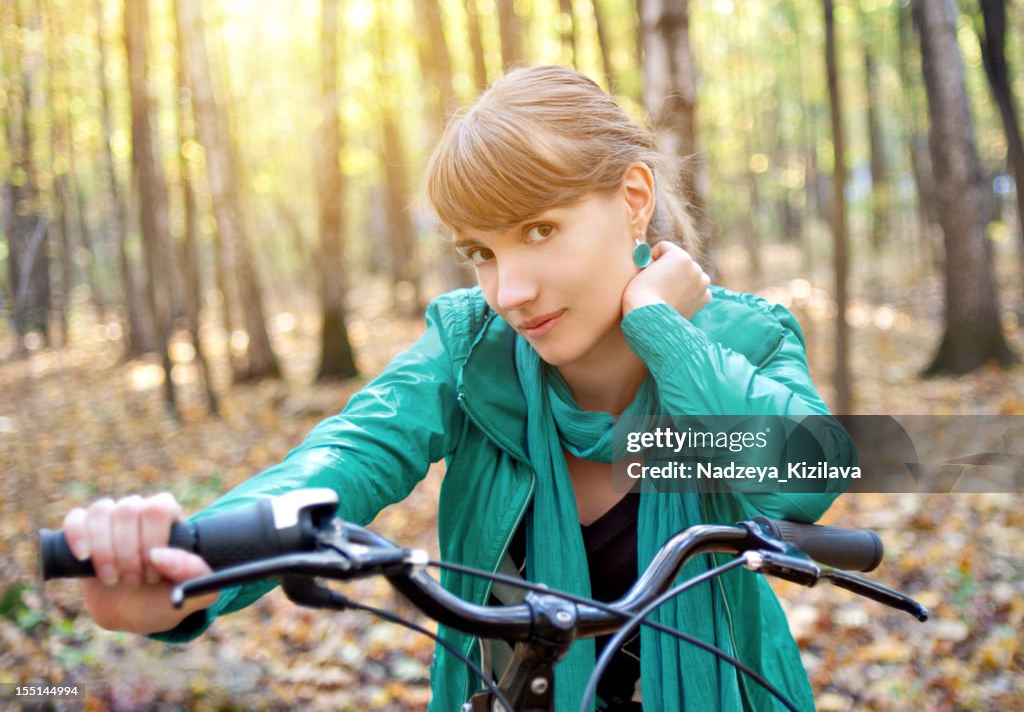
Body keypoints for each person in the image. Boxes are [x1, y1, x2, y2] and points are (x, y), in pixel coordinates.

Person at [61, 65, 850, 711]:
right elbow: (342, 455)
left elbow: (811, 473)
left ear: (633, 199)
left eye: (539, 230)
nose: (509, 290)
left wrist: (661, 330)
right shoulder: (471, 350)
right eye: (480, 251)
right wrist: (188, 568)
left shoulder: (743, 337)